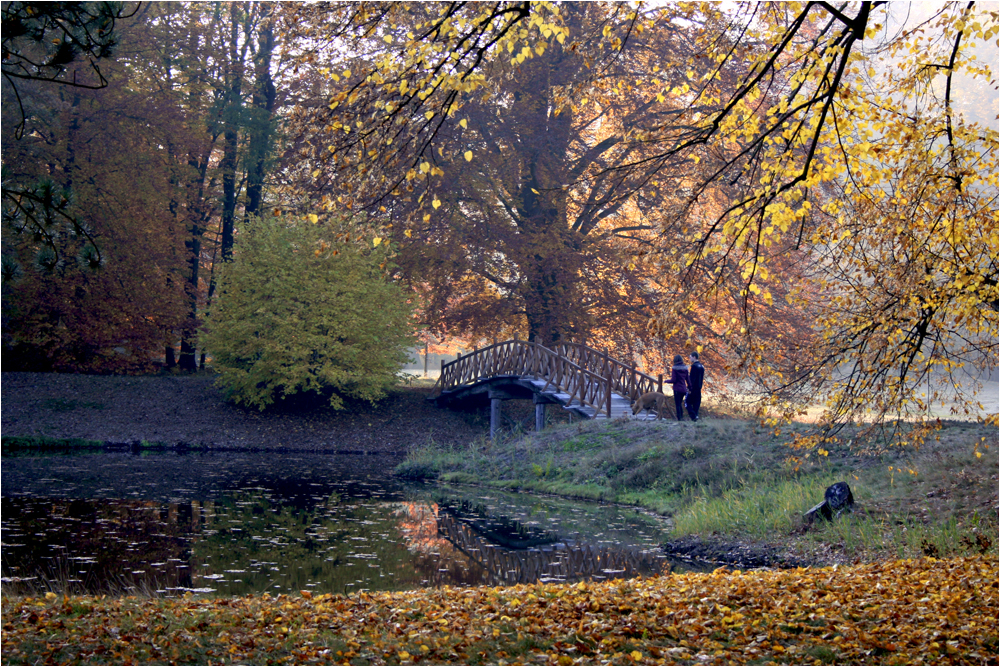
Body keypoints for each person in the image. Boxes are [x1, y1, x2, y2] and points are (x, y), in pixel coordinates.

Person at [667, 354, 690, 421]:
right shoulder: (685, 368)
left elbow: (674, 380)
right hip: (683, 388)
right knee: (680, 403)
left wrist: (667, 381)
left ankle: (679, 418)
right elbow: (688, 379)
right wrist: (689, 387)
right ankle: (681, 417)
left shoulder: (674, 368)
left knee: (677, 404)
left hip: (677, 388)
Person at [687, 351, 705, 422]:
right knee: (696, 403)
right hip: (699, 387)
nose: (690, 358)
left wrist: (689, 388)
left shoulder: (694, 366)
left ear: (694, 357)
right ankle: (696, 417)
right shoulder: (702, 366)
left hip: (693, 388)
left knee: (687, 402)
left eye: (690, 357)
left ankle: (693, 416)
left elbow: (692, 378)